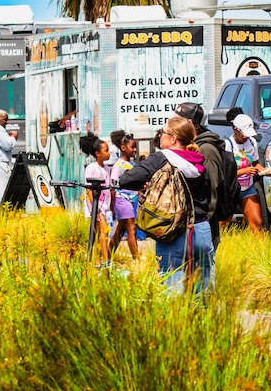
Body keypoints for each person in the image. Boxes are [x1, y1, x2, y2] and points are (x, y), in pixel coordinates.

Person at [117, 116, 214, 294]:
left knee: (172, 293)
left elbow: (126, 179)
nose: (160, 136)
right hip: (201, 230)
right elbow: (208, 195)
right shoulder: (199, 161)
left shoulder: (161, 159)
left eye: (163, 133)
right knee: (203, 296)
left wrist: (144, 185)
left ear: (174, 139)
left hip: (172, 232)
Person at [173, 102, 232, 248]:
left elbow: (212, 190)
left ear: (189, 123)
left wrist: (200, 225)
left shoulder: (206, 149)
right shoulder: (189, 146)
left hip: (201, 232)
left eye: (176, 121)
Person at [227, 110, 265, 233]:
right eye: (244, 134)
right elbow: (226, 174)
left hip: (247, 188)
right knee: (222, 225)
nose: (246, 137)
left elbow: (255, 163)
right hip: (230, 190)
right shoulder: (228, 145)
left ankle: (262, 250)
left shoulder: (252, 142)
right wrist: (245, 171)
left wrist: (264, 170)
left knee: (257, 223)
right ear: (235, 130)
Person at [79, 133, 113, 264]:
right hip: (95, 206)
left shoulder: (107, 168)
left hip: (104, 206)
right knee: (103, 233)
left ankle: (98, 260)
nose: (109, 153)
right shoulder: (91, 168)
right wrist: (96, 209)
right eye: (106, 150)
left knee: (100, 234)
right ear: (97, 153)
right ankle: (106, 261)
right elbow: (89, 191)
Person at [108, 130, 140, 260]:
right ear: (123, 148)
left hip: (130, 200)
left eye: (135, 148)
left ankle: (106, 256)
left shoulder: (131, 164)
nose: (134, 150)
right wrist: (112, 206)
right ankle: (136, 260)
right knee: (131, 229)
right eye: (132, 147)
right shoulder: (119, 166)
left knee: (120, 231)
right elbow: (113, 187)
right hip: (122, 200)